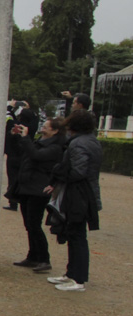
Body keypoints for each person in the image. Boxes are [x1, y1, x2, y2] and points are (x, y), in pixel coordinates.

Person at [44, 110, 101, 292]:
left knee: (77, 236)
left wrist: (59, 172)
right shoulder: (91, 141)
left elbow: (78, 171)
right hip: (85, 193)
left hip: (79, 194)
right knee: (76, 234)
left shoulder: (78, 144)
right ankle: (72, 273)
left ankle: (78, 278)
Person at [9, 116, 65, 274]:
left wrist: (26, 138)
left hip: (38, 189)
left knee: (34, 224)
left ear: (55, 131)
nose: (43, 128)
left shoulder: (55, 148)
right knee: (29, 224)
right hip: (27, 186)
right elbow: (23, 152)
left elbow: (36, 156)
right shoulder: (40, 141)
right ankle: (33, 255)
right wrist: (15, 136)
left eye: (46, 126)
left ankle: (44, 258)